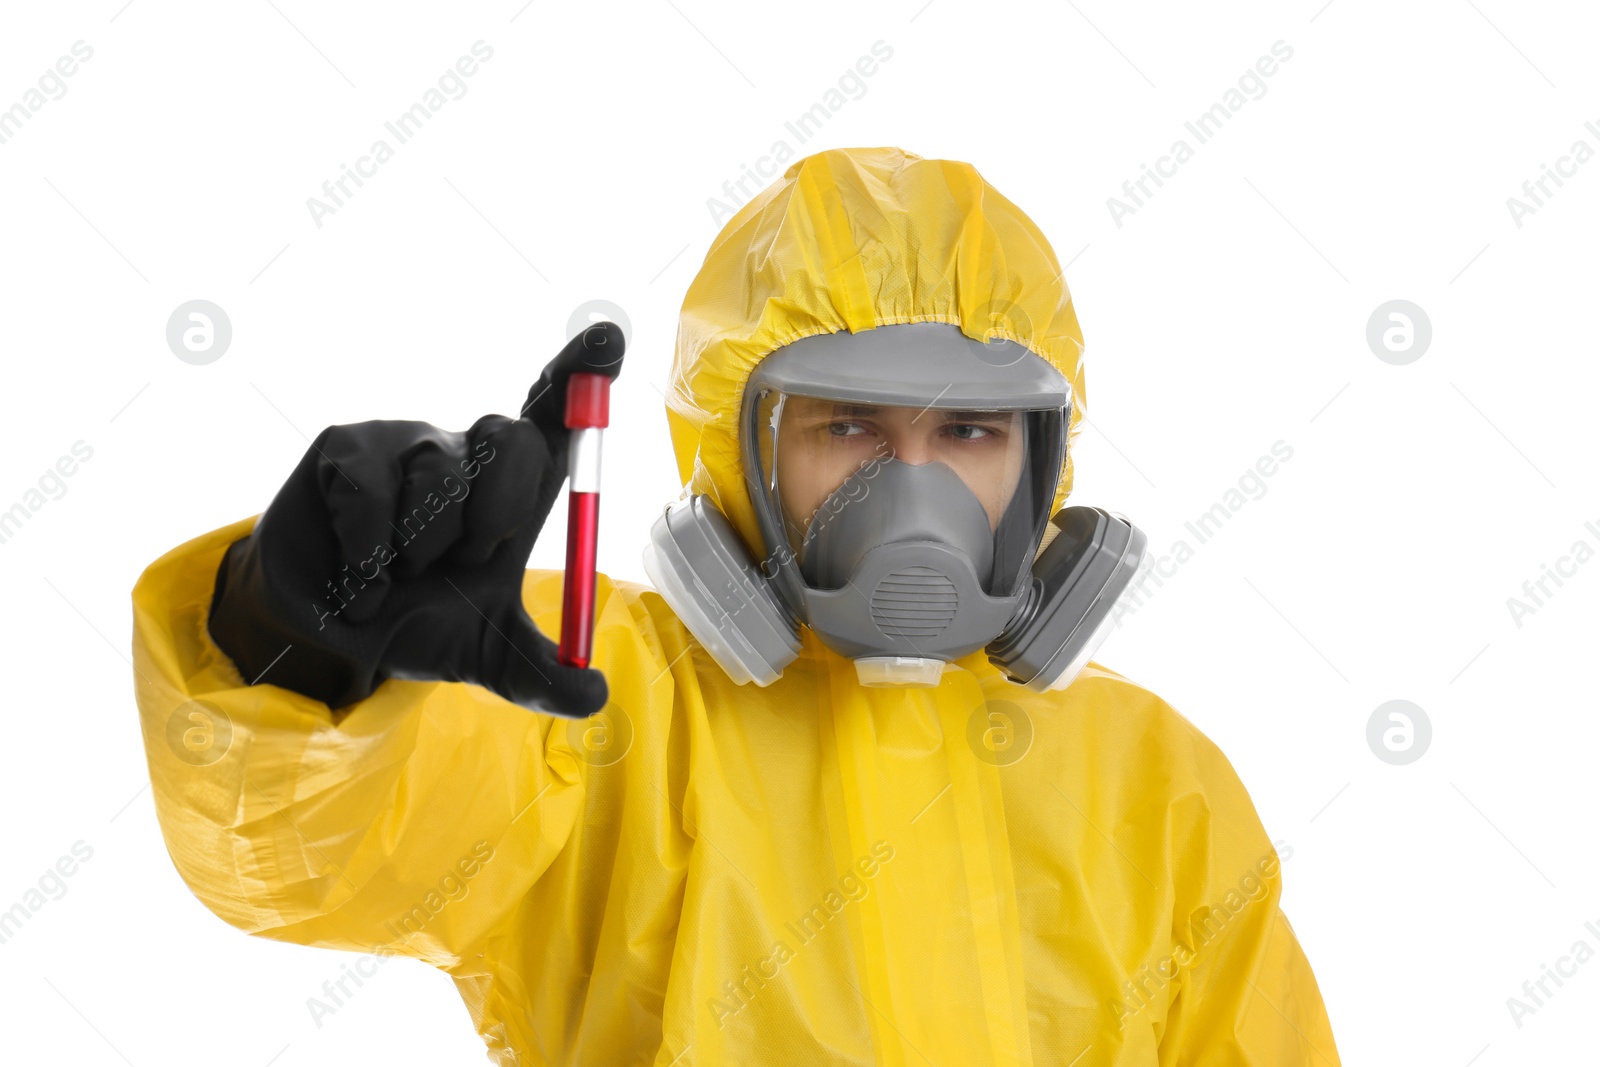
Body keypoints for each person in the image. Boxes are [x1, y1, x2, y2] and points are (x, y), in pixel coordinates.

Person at [131, 146, 1342, 1064]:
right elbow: (306, 864)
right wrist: (301, 638)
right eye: (847, 425)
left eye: (968, 429)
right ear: (740, 450)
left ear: (1041, 465)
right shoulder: (591, 698)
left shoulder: (1153, 784)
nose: (911, 489)